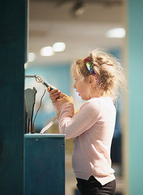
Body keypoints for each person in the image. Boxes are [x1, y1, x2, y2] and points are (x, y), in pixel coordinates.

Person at [48, 49, 125, 195]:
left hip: (95, 183)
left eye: (76, 79)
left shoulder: (94, 105)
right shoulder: (103, 103)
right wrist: (60, 105)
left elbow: (66, 131)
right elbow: (71, 124)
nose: (74, 85)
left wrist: (66, 106)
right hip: (94, 181)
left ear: (91, 80)